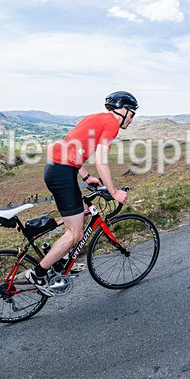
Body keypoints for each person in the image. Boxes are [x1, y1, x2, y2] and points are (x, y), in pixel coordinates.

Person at [25, 91, 137, 296]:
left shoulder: (94, 118)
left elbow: (70, 149)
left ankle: (60, 260)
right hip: (62, 173)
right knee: (74, 233)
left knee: (84, 212)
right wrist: (114, 192)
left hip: (59, 169)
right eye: (132, 113)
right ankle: (38, 273)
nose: (132, 118)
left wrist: (86, 178)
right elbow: (101, 161)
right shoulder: (111, 124)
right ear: (123, 110)